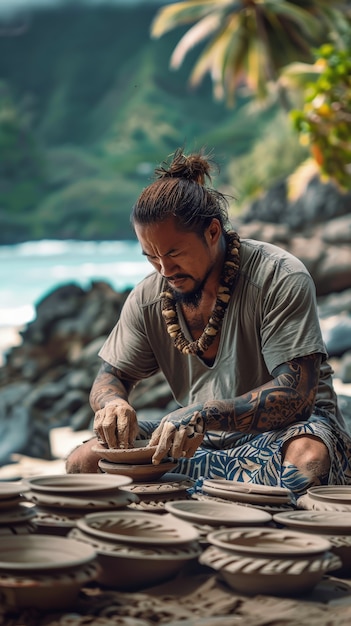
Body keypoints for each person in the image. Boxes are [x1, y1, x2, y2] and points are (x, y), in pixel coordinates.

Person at [66, 147, 351, 497]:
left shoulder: (279, 276)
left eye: (173, 253)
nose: (164, 269)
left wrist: (202, 413)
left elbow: (297, 394)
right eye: (151, 256)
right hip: (198, 441)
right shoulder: (149, 296)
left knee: (308, 459)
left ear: (213, 232)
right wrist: (114, 405)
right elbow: (110, 377)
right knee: (84, 461)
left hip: (291, 433)